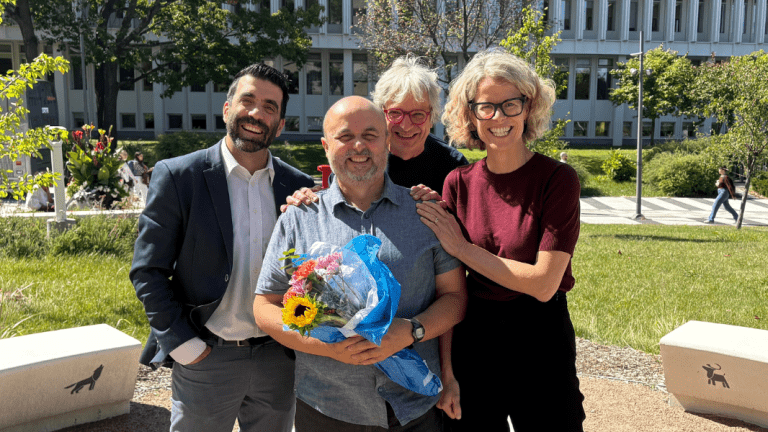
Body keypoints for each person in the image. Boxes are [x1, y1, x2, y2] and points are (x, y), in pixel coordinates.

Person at [253, 96, 467, 431]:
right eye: (344, 136)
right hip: (327, 407)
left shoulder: (426, 215)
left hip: (413, 405)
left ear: (387, 142)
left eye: (370, 135)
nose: (358, 146)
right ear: (326, 146)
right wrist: (325, 345)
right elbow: (264, 305)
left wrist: (412, 330)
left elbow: (454, 299)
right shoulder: (299, 218)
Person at [130, 63, 315, 432]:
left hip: (278, 357)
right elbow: (148, 270)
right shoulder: (180, 176)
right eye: (248, 100)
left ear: (280, 125)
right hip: (206, 355)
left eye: (270, 107)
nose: (256, 113)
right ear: (227, 108)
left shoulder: (298, 186)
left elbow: (310, 271)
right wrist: (183, 345)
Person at [415, 50, 586, 431]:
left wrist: (463, 248)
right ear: (470, 114)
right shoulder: (458, 183)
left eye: (510, 104)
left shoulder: (557, 180)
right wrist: (447, 371)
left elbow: (543, 284)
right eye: (486, 107)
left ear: (529, 107)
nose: (499, 117)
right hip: (476, 336)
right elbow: (450, 288)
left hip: (540, 335)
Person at [282, 54, 468, 211]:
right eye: (395, 113)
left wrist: (444, 210)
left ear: (431, 116)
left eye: (418, 114)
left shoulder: (454, 167)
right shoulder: (362, 157)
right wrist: (307, 200)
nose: (405, 125)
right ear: (380, 114)